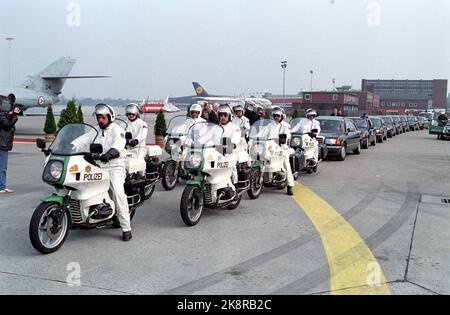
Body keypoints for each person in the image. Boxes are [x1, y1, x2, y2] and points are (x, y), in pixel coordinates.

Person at [72, 104, 132, 241]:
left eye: (103, 118)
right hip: (98, 166)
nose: (100, 120)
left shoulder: (118, 130)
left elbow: (118, 144)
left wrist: (110, 154)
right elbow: (84, 140)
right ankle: (81, 217)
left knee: (117, 193)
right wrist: (71, 146)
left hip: (115, 166)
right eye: (98, 118)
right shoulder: (96, 130)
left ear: (110, 117)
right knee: (81, 186)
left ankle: (126, 227)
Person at [262, 106, 294, 196]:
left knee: (286, 165)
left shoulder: (286, 126)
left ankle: (290, 186)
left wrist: (283, 139)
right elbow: (263, 133)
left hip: (282, 148)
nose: (276, 117)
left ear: (282, 116)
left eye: (278, 115)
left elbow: (287, 135)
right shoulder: (270, 125)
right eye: (275, 115)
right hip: (270, 147)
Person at [218, 105, 241, 198]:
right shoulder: (215, 127)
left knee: (230, 166)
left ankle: (235, 187)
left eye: (225, 115)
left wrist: (232, 144)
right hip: (217, 152)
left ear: (229, 116)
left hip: (230, 152)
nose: (222, 117)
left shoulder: (234, 127)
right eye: (221, 115)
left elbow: (236, 138)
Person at [0, 105, 21, 194]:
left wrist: (13, 115)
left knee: (2, 167)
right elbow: (7, 125)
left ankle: (2, 186)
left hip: (3, 145)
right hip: (2, 145)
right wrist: (15, 115)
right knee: (2, 167)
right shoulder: (1, 116)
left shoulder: (4, 116)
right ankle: (1, 187)